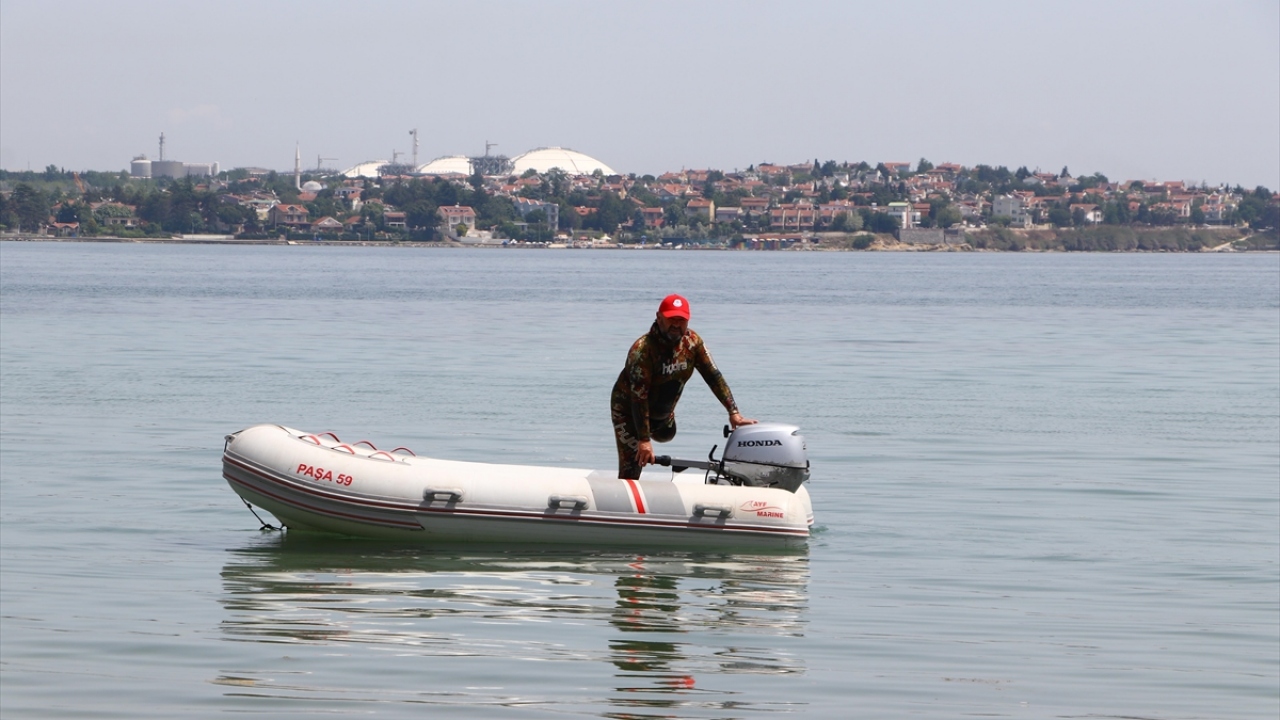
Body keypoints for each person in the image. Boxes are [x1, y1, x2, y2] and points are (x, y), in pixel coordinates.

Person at [611, 294, 755, 479]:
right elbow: (639, 399)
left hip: (662, 415)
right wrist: (644, 440)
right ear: (659, 317)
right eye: (671, 319)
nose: (676, 325)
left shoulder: (693, 343)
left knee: (667, 434)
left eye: (681, 320)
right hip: (629, 412)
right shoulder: (642, 351)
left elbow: (713, 376)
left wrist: (733, 412)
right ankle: (626, 493)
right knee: (634, 462)